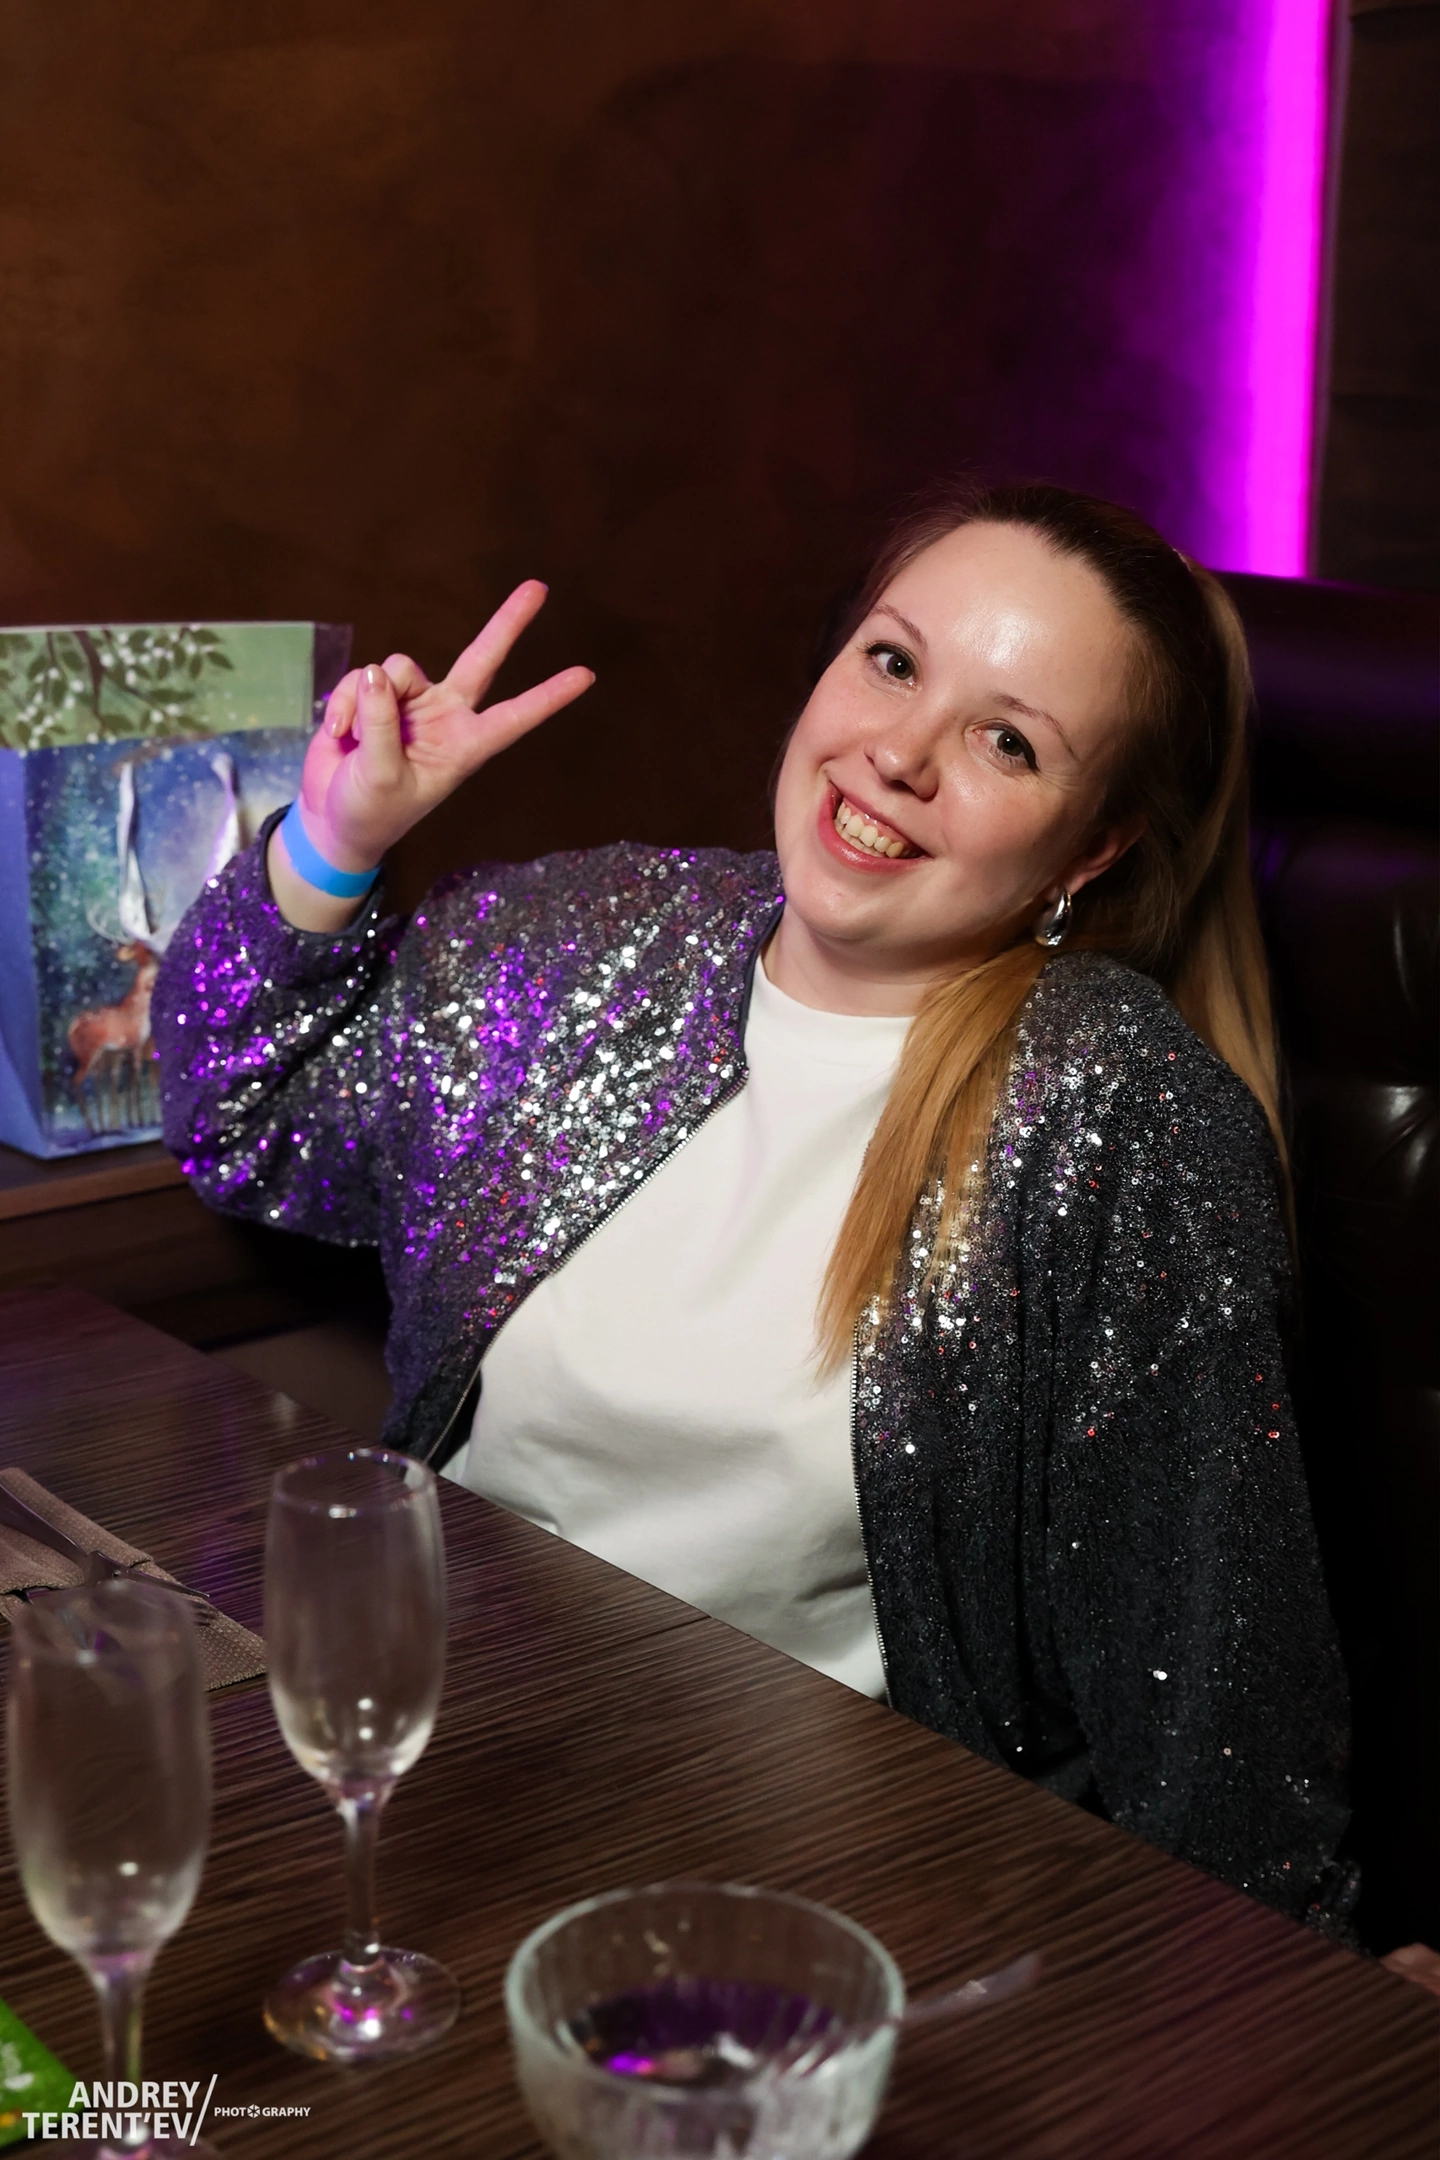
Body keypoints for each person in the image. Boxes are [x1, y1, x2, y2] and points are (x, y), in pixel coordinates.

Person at [154, 482, 1353, 1927]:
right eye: (893, 662)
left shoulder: (1120, 1116)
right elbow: (245, 1126)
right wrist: (331, 842)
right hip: (428, 1788)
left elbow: (1213, 1691)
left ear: (1093, 847)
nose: (898, 754)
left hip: (799, 1891)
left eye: (1009, 741)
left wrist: (1303, 2006)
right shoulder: (576, 935)